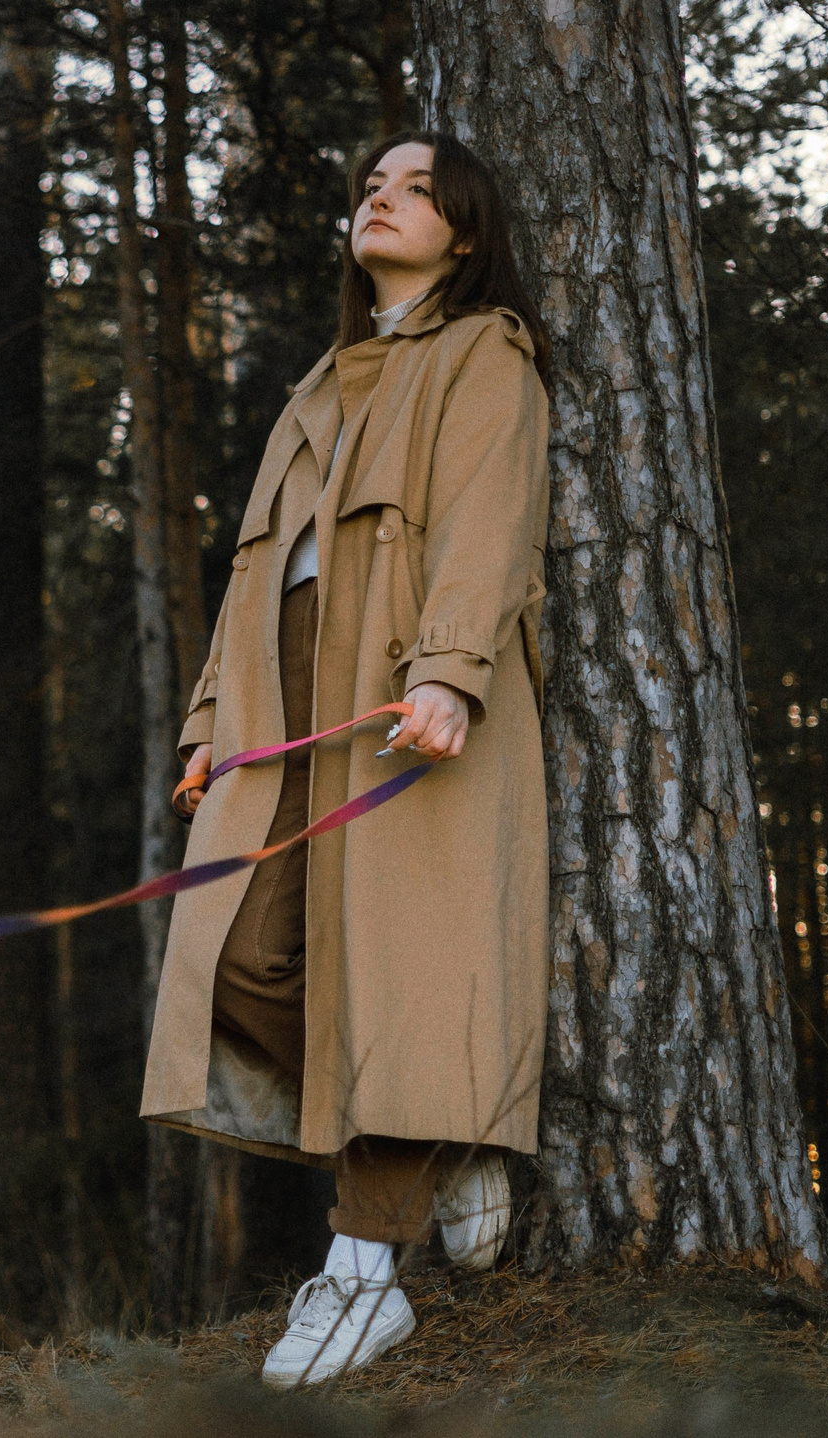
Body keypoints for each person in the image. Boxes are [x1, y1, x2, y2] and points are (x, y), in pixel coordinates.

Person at [144, 130, 551, 1387]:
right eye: (369, 182)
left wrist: (449, 673)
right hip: (284, 701)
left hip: (402, 686)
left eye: (415, 188)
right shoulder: (320, 382)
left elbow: (489, 518)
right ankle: (449, 1138)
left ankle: (363, 1275)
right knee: (244, 954)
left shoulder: (488, 353)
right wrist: (211, 723)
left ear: (466, 231)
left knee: (399, 975)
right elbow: (249, 575)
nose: (381, 197)